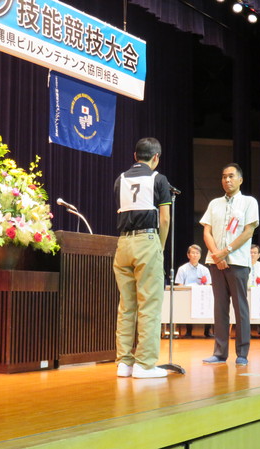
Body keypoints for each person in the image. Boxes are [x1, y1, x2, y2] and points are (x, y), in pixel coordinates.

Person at [113, 137, 171, 378]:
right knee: (149, 305)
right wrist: (160, 247)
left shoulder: (120, 179)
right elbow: (165, 219)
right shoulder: (159, 179)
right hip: (147, 241)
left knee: (127, 306)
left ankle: (124, 363)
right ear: (156, 157)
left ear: (135, 156)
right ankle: (145, 365)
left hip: (123, 244)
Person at [200, 163, 259, 366]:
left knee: (240, 308)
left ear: (240, 179)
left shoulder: (249, 202)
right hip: (215, 262)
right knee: (220, 308)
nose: (227, 180)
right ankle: (219, 353)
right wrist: (217, 256)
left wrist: (226, 252)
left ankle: (242, 353)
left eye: (231, 176)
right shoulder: (214, 203)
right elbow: (206, 231)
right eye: (224, 176)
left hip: (238, 263)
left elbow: (248, 232)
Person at [174, 244, 213, 338]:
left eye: (197, 253)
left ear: (200, 255)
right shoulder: (182, 269)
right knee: (187, 305)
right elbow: (180, 285)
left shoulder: (204, 269)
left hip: (201, 295)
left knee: (209, 302)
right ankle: (188, 332)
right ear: (188, 255)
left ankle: (207, 331)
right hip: (187, 295)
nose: (195, 255)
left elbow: (208, 285)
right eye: (193, 253)